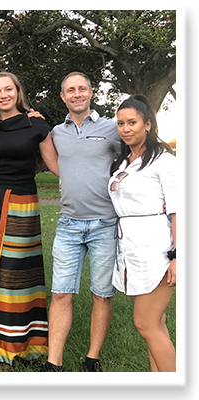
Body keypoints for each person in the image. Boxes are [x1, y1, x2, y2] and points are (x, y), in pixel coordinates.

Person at [0, 72, 58, 369]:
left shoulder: (37, 125)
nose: (3, 95)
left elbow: (55, 165)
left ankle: (24, 344)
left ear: (18, 92)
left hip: (24, 203)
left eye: (8, 89)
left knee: (19, 273)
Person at [40, 72, 122, 372]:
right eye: (71, 90)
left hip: (105, 224)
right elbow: (53, 162)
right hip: (69, 224)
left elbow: (134, 157)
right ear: (63, 96)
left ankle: (92, 358)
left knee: (102, 294)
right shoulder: (56, 132)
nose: (77, 94)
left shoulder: (112, 128)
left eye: (82, 89)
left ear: (91, 92)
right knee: (61, 293)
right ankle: (54, 363)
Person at [108, 95, 176, 371]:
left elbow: (179, 209)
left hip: (156, 249)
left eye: (132, 122)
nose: (125, 129)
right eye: (120, 123)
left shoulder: (164, 161)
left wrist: (177, 256)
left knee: (145, 323)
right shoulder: (124, 162)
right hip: (130, 249)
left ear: (148, 124)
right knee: (156, 324)